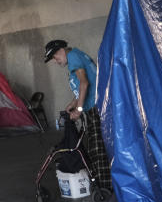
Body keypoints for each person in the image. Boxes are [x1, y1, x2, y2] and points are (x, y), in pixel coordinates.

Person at [43, 39, 112, 193]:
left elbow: (85, 83)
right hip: (96, 105)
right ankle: (105, 186)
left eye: (55, 57)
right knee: (97, 145)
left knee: (97, 149)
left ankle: (104, 189)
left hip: (95, 107)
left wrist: (79, 109)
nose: (55, 61)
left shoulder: (73, 57)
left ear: (61, 50)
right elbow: (84, 86)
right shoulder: (77, 55)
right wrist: (73, 103)